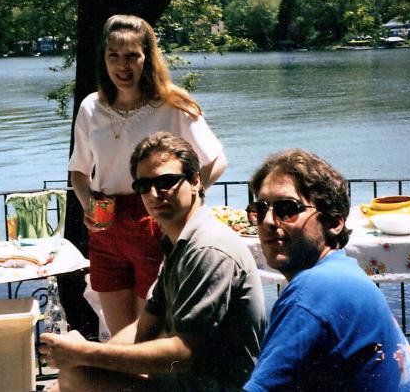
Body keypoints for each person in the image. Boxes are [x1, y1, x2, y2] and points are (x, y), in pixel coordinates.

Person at [42, 132, 264, 391]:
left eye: (166, 182)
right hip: (183, 381)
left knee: (76, 376)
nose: (154, 193)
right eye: (143, 186)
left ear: (195, 181)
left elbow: (182, 353)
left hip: (212, 385)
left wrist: (85, 354)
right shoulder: (177, 244)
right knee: (76, 376)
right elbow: (143, 327)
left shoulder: (208, 249)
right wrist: (84, 361)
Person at [68, 14, 227, 335]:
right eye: (113, 55)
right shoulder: (90, 108)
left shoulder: (172, 105)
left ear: (147, 58)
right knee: (117, 336)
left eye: (132, 56)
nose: (122, 66)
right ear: (104, 59)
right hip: (105, 227)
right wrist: (88, 207)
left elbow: (216, 160)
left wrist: (186, 203)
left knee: (148, 336)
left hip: (155, 223)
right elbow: (79, 172)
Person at [244, 149, 410, 391]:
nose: (268, 221)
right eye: (261, 209)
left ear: (333, 222)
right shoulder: (342, 270)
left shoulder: (313, 292)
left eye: (287, 209)